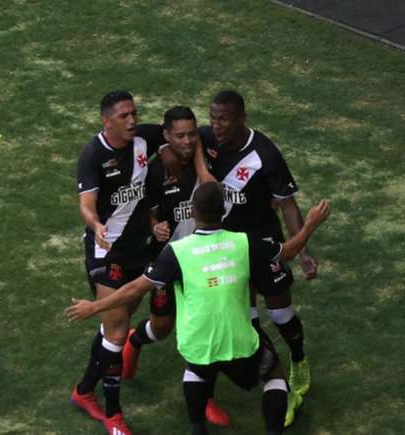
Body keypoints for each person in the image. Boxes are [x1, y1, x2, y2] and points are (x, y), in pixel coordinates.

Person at [66, 182, 331, 435]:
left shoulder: (176, 252)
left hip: (198, 345)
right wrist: (309, 226)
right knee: (274, 375)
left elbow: (134, 289)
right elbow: (287, 252)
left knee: (196, 370)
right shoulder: (244, 242)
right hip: (238, 341)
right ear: (223, 211)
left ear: (193, 213)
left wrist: (94, 307)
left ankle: (197, 428)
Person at [198, 90, 316, 425]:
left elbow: (288, 203)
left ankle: (299, 360)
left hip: (264, 243)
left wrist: (302, 250)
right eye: (213, 118)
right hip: (228, 247)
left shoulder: (265, 154)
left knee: (280, 313)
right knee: (247, 318)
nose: (216, 125)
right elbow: (179, 138)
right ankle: (276, 380)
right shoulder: (205, 139)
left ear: (241, 118)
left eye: (224, 119)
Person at [72, 90, 180, 435]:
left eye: (134, 113)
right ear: (107, 122)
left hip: (141, 248)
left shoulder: (143, 138)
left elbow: (179, 135)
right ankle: (114, 415)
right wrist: (96, 224)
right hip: (108, 252)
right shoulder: (93, 156)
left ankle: (84, 391)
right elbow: (87, 203)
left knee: (116, 324)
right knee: (117, 330)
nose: (132, 120)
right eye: (124, 116)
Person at [121, 106, 230, 426]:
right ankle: (135, 340)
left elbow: (213, 185)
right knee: (163, 326)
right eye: (178, 136)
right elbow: (148, 213)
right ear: (165, 136)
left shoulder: (207, 151)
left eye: (191, 134)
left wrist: (196, 157)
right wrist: (155, 227)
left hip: (203, 259)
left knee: (203, 330)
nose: (186, 140)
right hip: (168, 260)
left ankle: (205, 397)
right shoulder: (156, 172)